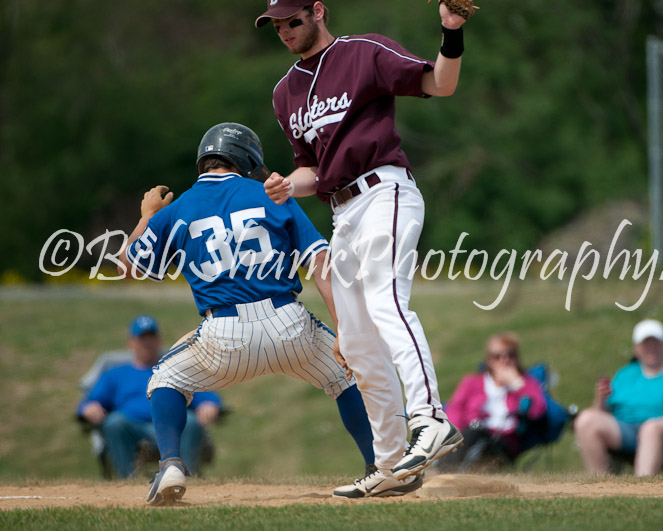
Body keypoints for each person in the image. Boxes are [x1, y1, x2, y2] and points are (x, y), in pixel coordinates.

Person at [256, 0, 470, 498]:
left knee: (385, 302)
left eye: (293, 20)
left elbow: (440, 83)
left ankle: (431, 418)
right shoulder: (284, 91)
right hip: (343, 212)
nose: (285, 30)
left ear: (318, 11)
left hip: (385, 191)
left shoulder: (362, 53)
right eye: (277, 25)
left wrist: (450, 33)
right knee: (354, 340)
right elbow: (314, 169)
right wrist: (290, 184)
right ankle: (394, 463)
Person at [117, 122, 376, 506]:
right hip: (289, 324)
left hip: (223, 334)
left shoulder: (181, 207)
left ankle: (171, 463)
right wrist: (344, 328)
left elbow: (128, 265)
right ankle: (381, 466)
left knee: (165, 380)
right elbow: (320, 263)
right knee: (346, 376)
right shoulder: (270, 194)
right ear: (247, 160)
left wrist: (149, 215)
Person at [78, 315, 222, 478]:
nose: (147, 343)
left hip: (172, 426)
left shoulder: (175, 369)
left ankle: (188, 478)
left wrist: (209, 404)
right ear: (131, 342)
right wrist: (90, 407)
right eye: (142, 338)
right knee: (114, 423)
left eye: (151, 337)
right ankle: (126, 481)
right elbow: (91, 402)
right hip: (132, 427)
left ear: (159, 340)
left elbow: (205, 395)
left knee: (191, 421)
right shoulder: (116, 374)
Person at [573, 319, 663, 476]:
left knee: (650, 428)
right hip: (627, 430)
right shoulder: (625, 374)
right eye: (646, 344)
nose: (651, 348)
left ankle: (641, 490)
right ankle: (600, 485)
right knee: (585, 419)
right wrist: (600, 399)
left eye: (656, 342)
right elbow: (602, 412)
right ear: (636, 348)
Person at [436, 332, 547, 472]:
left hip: (503, 442)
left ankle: (442, 473)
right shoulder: (472, 383)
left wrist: (516, 383)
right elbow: (455, 408)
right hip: (471, 434)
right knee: (470, 433)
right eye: (497, 356)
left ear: (517, 358)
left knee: (474, 436)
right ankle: (442, 473)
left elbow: (538, 410)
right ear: (488, 360)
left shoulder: (527, 384)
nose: (504, 360)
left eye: (510, 355)